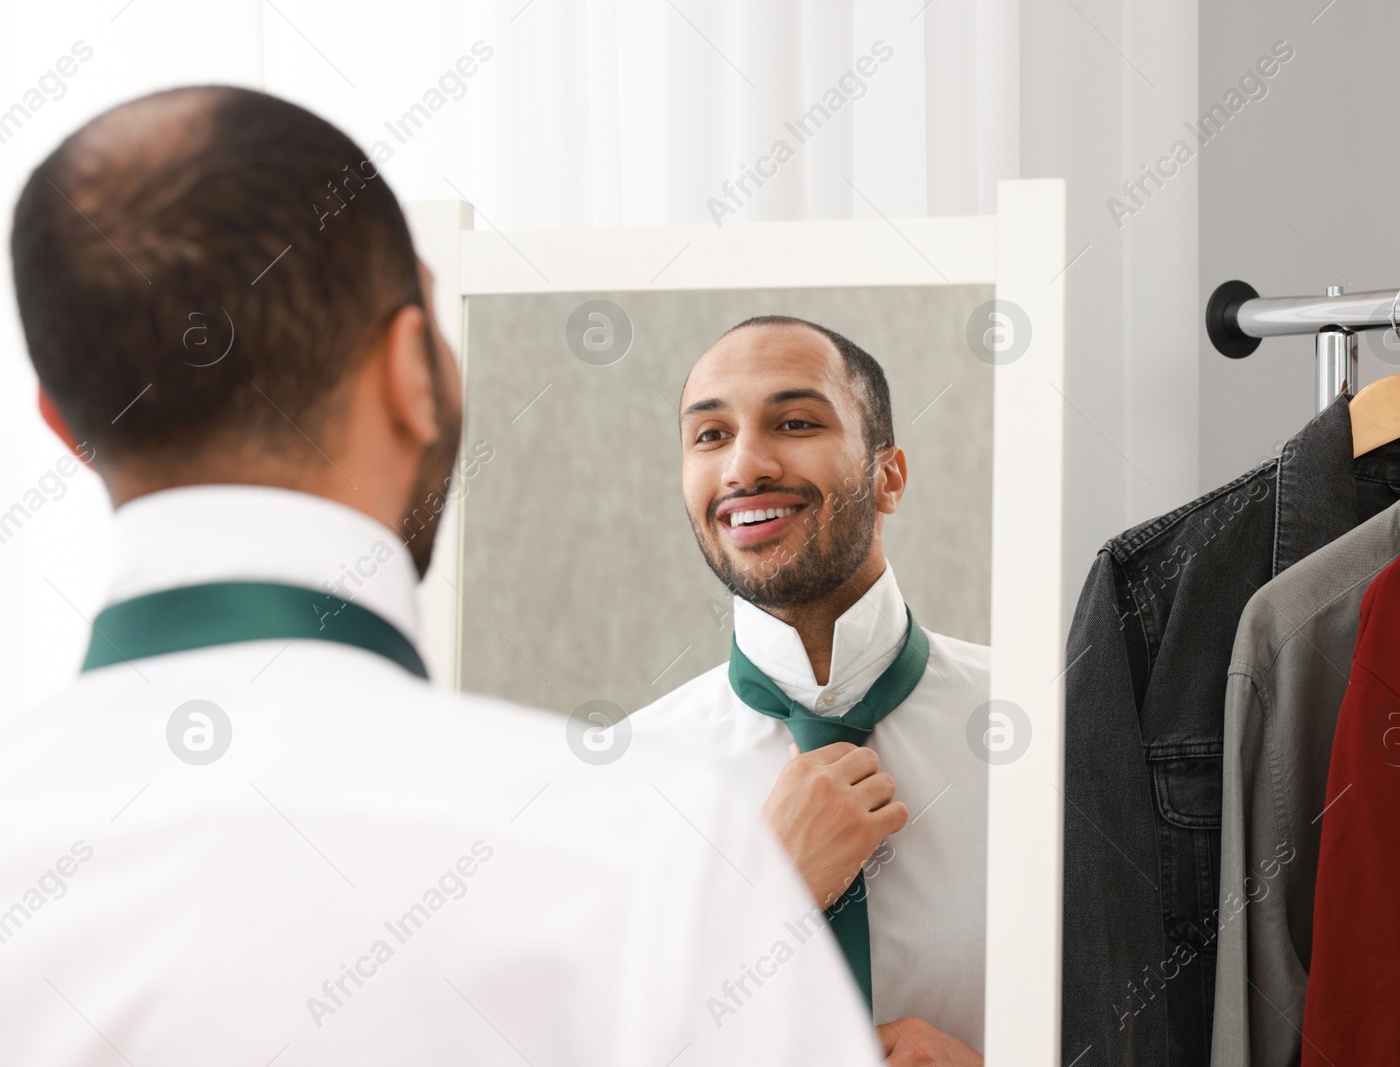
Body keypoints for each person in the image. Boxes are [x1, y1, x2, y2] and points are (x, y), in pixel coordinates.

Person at [0, 86, 882, 1066]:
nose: (745, 462)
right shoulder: (645, 859)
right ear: (412, 369)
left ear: (62, 423)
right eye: (707, 431)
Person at [623, 316, 989, 1065]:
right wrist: (764, 884)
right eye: (710, 436)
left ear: (889, 476)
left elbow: (1149, 1016)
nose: (745, 467)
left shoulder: (1045, 722)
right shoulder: (624, 776)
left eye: (794, 422)